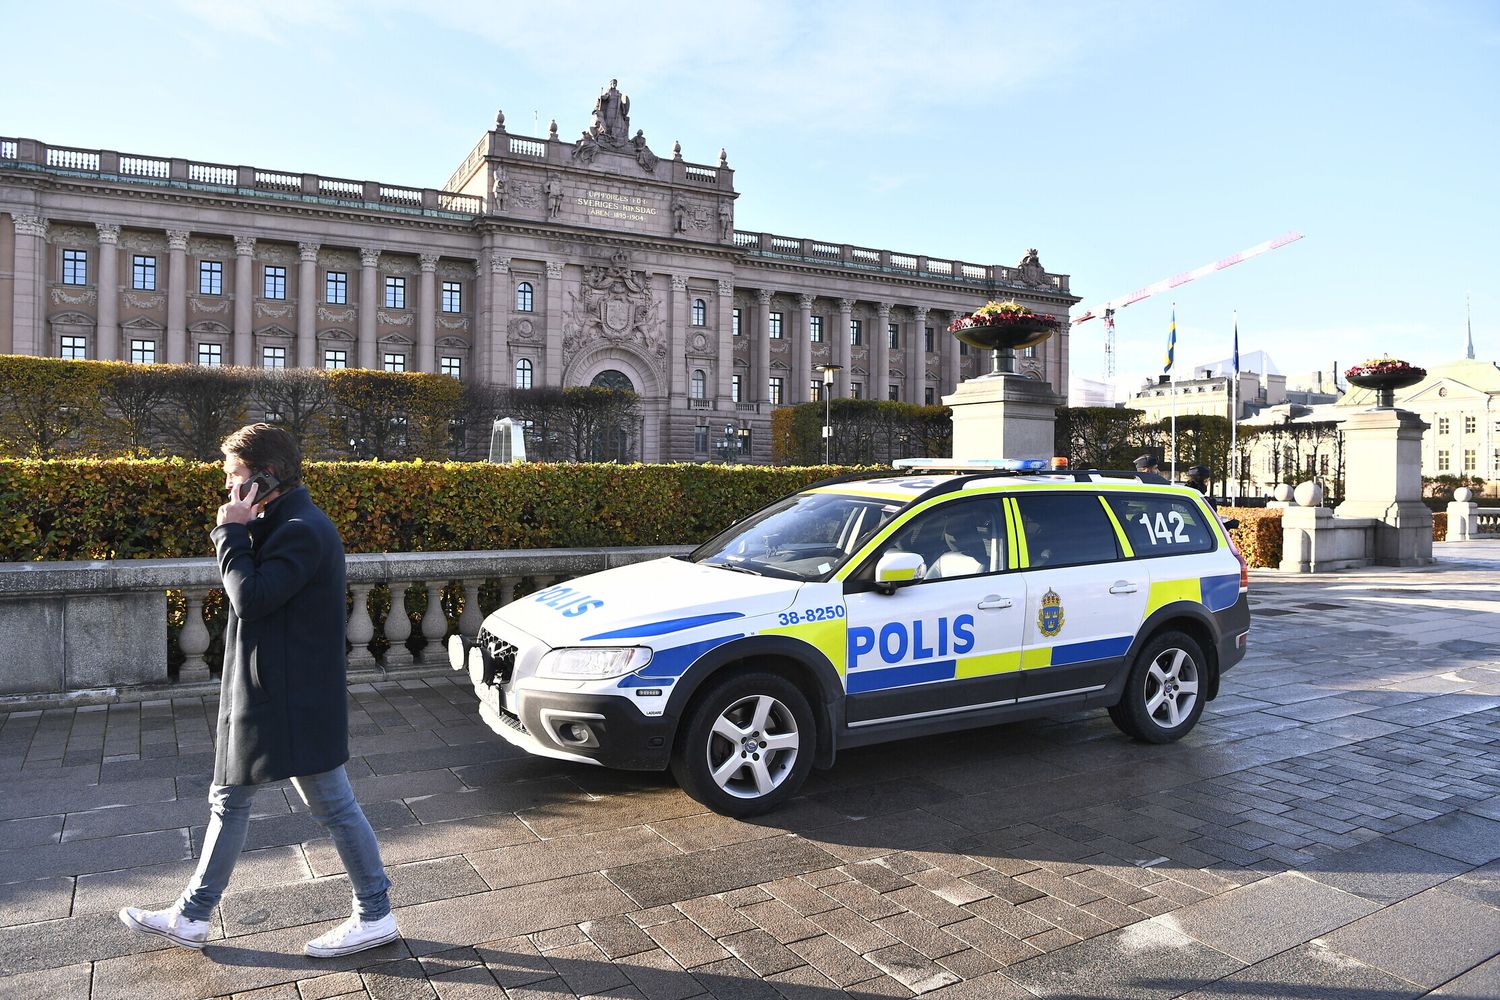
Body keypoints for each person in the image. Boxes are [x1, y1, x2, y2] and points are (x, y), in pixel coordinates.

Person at [119, 424, 398, 957]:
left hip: (291, 698)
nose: (228, 489)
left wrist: (230, 533)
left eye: (235, 477)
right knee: (231, 798)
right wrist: (243, 531)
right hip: (276, 691)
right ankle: (193, 915)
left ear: (265, 477)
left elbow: (251, 598)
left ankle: (376, 913)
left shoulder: (301, 528)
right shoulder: (282, 520)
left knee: (332, 806)